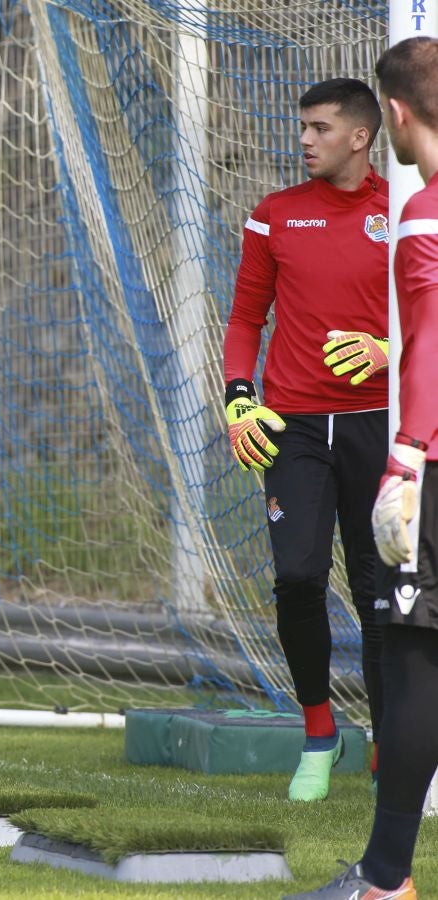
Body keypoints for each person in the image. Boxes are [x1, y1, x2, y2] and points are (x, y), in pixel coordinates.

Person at [286, 35, 438, 900]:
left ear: (394, 117)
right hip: (309, 427)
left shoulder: (420, 212)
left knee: (414, 661)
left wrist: (408, 451)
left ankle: (385, 880)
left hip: (426, 455)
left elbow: (429, 350)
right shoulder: (283, 210)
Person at [222, 77, 390, 802]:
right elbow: (243, 320)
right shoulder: (275, 216)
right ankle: (319, 734)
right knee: (297, 578)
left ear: (361, 136)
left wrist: (391, 351)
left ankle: (394, 736)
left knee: (385, 589)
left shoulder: (406, 213)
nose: (304, 139)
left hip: (382, 427)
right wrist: (237, 397)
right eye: (303, 127)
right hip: (291, 431)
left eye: (320, 128)